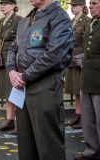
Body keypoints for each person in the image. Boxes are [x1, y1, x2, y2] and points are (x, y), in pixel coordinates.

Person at [6, 0, 74, 159]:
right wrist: (11, 71)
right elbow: (13, 48)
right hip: (23, 86)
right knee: (26, 141)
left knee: (48, 142)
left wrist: (26, 76)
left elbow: (54, 55)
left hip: (44, 85)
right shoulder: (27, 19)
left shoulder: (60, 18)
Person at [74, 0, 100, 159]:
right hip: (87, 75)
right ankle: (92, 151)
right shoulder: (91, 23)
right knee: (89, 118)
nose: (91, 6)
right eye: (90, 3)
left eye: (95, 3)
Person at [0, 0, 23, 135]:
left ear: (13, 6)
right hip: (3, 60)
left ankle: (21, 123)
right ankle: (10, 120)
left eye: (5, 4)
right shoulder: (2, 21)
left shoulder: (19, 21)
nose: (2, 7)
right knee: (7, 92)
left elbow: (21, 42)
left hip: (13, 61)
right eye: (1, 5)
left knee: (17, 91)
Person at [65, 0, 90, 130]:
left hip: (80, 60)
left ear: (82, 6)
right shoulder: (72, 20)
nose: (72, 8)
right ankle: (77, 115)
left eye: (75, 5)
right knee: (75, 89)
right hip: (71, 59)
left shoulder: (87, 20)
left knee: (81, 89)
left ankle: (83, 117)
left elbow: (87, 42)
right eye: (71, 6)